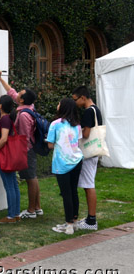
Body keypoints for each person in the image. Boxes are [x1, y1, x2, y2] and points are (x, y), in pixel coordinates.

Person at [0, 70, 43, 219]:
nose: (17, 95)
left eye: (20, 95)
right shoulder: (29, 106)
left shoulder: (23, 116)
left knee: (30, 178)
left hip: (25, 149)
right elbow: (12, 92)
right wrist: (0, 79)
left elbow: (22, 137)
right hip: (27, 148)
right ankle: (36, 208)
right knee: (25, 179)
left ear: (22, 101)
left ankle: (32, 210)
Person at [46, 98, 83, 235]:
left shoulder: (55, 124)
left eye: (59, 103)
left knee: (66, 193)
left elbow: (50, 144)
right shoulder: (77, 125)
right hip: (77, 160)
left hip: (62, 162)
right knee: (73, 191)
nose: (57, 105)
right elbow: (77, 143)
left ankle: (68, 225)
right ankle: (74, 221)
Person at [72, 86, 102, 231]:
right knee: (88, 183)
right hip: (94, 151)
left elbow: (86, 134)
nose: (75, 103)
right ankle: (91, 218)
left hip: (89, 153)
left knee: (89, 184)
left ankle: (91, 220)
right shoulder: (96, 109)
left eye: (75, 99)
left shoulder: (89, 112)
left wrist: (77, 130)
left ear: (83, 97)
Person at [0, 95, 21, 223]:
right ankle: (16, 213)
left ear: (1, 105)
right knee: (13, 184)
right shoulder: (8, 118)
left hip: (5, 155)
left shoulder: (5, 119)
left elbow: (4, 138)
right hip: (11, 155)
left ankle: (11, 215)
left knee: (9, 185)